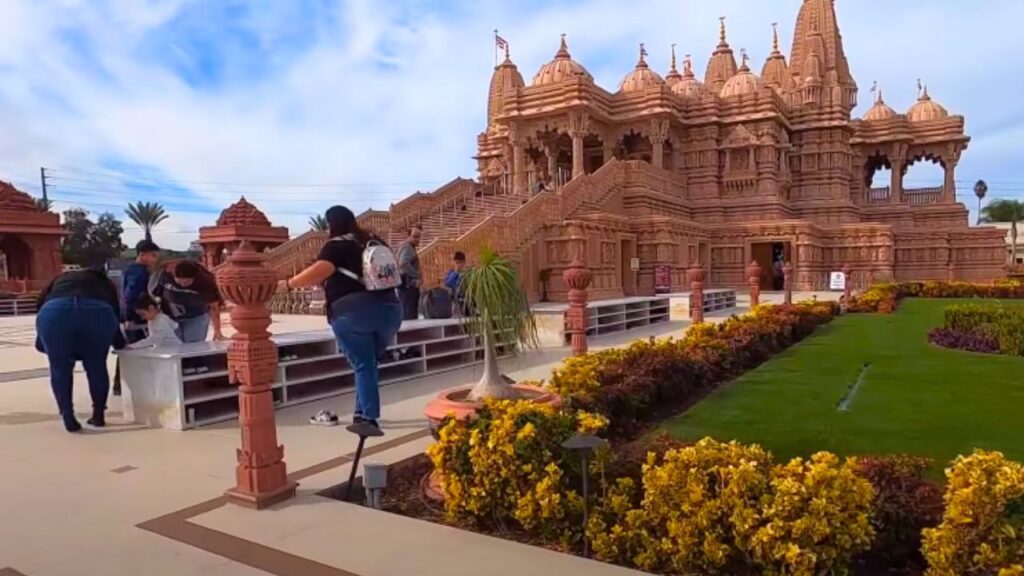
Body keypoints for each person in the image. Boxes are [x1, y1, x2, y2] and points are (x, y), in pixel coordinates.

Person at [279, 205, 402, 431]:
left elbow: (321, 269)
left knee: (363, 365)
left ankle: (368, 418)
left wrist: (287, 284)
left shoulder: (336, 245)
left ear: (331, 224)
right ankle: (360, 412)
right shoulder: (374, 241)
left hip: (353, 314)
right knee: (367, 364)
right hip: (390, 311)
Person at [35, 267, 124, 432]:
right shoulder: (104, 282)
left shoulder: (58, 279)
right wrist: (119, 342)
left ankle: (68, 416)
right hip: (97, 311)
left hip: (55, 311)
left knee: (59, 367)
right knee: (97, 366)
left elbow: (41, 304)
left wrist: (41, 340)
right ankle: (98, 416)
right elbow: (115, 310)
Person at [113, 239, 161, 395]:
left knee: (131, 351)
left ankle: (120, 385)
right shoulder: (140, 272)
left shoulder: (131, 269)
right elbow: (129, 295)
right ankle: (127, 385)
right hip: (136, 318)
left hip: (134, 316)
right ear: (142, 255)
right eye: (153, 255)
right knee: (136, 349)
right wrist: (129, 317)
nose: (155, 259)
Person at [152, 260, 225, 343]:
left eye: (187, 282)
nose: (183, 285)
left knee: (192, 346)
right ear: (172, 274)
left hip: (196, 316)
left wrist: (217, 331)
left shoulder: (206, 281)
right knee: (174, 346)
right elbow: (155, 294)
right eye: (179, 281)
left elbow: (214, 307)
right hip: (171, 318)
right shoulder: (165, 274)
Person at [396, 226, 423, 320]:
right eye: (415, 236)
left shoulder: (408, 247)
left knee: (409, 314)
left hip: (407, 286)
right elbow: (403, 263)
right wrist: (417, 275)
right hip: (408, 287)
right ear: (408, 236)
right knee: (409, 316)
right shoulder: (407, 247)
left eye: (419, 237)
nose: (417, 239)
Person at [444, 251, 467, 316]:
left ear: (464, 263)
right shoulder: (451, 272)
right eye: (456, 263)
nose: (458, 265)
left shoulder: (466, 273)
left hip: (464, 295)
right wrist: (455, 273)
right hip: (454, 296)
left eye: (460, 263)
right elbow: (448, 283)